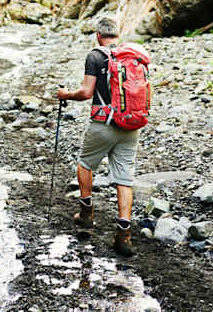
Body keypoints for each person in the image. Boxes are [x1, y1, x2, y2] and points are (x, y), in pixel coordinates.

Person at [55, 16, 138, 256]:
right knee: (124, 179)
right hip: (131, 125)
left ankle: (86, 214)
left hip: (103, 124)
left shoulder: (95, 56)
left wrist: (65, 95)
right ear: (117, 34)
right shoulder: (132, 55)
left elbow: (86, 92)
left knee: (85, 164)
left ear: (98, 35)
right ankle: (124, 235)